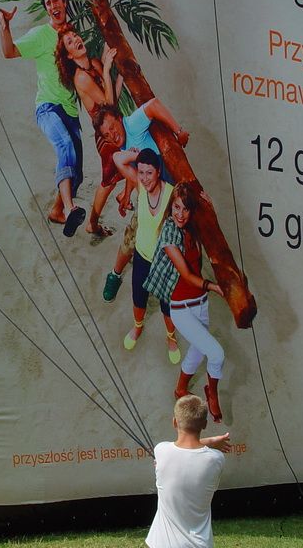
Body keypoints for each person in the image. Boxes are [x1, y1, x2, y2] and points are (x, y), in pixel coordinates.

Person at [0, 0, 85, 236]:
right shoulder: (40, 35)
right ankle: (69, 208)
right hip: (47, 108)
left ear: (64, 2)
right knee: (64, 145)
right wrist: (5, 27)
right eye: (48, 3)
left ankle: (57, 211)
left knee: (77, 172)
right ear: (46, 8)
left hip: (70, 110)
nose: (53, 6)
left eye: (56, 0)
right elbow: (9, 52)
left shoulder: (71, 34)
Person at [144, 183, 227, 422]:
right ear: (170, 207)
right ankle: (212, 393)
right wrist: (213, 287)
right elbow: (188, 275)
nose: (180, 214)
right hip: (181, 307)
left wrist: (210, 209)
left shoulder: (192, 226)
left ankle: (180, 389)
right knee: (217, 354)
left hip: (200, 303)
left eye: (186, 209)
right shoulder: (169, 233)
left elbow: (211, 235)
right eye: (176, 207)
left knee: (198, 349)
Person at [97, 100, 190, 303]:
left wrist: (179, 131)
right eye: (106, 134)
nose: (112, 135)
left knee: (172, 238)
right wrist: (127, 194)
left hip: (165, 187)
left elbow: (154, 105)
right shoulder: (123, 144)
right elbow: (133, 167)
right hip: (148, 192)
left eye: (112, 127)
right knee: (132, 235)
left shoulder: (132, 124)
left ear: (120, 119)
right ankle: (115, 274)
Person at [55, 29, 123, 237]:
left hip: (116, 124)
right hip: (106, 136)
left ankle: (123, 197)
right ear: (69, 55)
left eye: (75, 36)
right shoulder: (81, 78)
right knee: (108, 181)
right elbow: (108, 105)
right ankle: (92, 223)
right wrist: (108, 69)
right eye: (70, 42)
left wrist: (121, 75)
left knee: (122, 171)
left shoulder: (94, 63)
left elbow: (113, 99)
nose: (76, 39)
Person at [112, 148, 178, 358]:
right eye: (141, 172)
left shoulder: (171, 193)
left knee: (167, 306)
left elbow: (187, 209)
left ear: (158, 171)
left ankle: (171, 337)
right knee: (138, 298)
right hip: (141, 255)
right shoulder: (140, 185)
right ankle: (138, 327)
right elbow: (118, 159)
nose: (145, 178)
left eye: (149, 173)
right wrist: (137, 156)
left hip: (164, 262)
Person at [146, 395, 231, 548]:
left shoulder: (161, 451)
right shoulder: (216, 459)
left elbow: (184, 449)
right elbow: (192, 450)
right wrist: (210, 442)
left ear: (174, 422)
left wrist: (209, 442)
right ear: (205, 424)